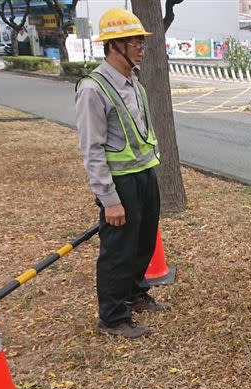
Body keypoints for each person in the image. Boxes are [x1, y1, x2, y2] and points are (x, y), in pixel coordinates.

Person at [75, 8, 169, 339]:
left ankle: (135, 293)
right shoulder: (93, 89)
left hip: (144, 174)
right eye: (135, 42)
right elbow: (92, 150)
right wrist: (109, 199)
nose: (142, 48)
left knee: (143, 240)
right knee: (119, 249)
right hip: (120, 183)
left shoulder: (134, 83)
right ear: (115, 47)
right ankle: (113, 316)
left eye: (142, 42)